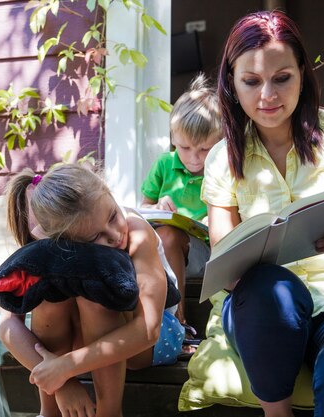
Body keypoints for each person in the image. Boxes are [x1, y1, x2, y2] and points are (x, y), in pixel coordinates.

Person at [201, 10, 324, 417]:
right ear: (231, 83)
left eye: (282, 78)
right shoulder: (222, 159)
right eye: (251, 82)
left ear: (302, 74)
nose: (268, 96)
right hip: (265, 315)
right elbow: (225, 266)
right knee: (264, 287)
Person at [0, 164, 185, 417]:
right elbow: (7, 327)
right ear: (62, 241)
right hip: (84, 345)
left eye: (112, 216)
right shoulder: (46, 248)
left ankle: (109, 413)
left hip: (155, 337)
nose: (115, 235)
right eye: (94, 237)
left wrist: (65, 366)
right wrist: (61, 382)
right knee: (50, 298)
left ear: (108, 192)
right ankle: (50, 412)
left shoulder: (138, 234)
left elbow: (149, 330)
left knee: (95, 298)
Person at [140, 73, 221, 346]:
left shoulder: (223, 167)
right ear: (173, 138)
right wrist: (157, 206)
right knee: (166, 235)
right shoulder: (164, 165)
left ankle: (191, 323)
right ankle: (176, 322)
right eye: (184, 147)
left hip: (209, 252)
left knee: (170, 236)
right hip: (169, 252)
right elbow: (144, 206)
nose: (193, 158)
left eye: (204, 149)